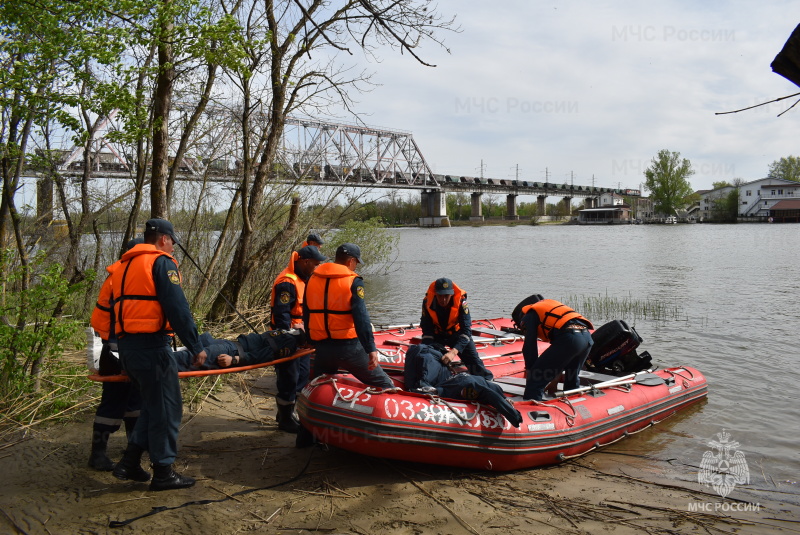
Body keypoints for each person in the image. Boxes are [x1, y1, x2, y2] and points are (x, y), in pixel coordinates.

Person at [110, 218, 207, 491]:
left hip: (128, 349)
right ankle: (163, 472)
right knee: (167, 410)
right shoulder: (161, 263)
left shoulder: (122, 267)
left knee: (153, 407)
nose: (174, 246)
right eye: (173, 240)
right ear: (164, 239)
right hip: (153, 349)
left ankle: (129, 462)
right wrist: (196, 346)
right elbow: (178, 309)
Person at [303, 243, 395, 389]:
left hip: (322, 348)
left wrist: (310, 339)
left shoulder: (312, 279)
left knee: (318, 385)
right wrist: (371, 348)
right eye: (356, 263)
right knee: (385, 384)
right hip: (348, 348)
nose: (356, 266)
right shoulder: (354, 281)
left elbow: (307, 314)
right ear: (351, 261)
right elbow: (361, 318)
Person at [87, 237, 144, 471]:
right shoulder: (122, 279)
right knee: (113, 402)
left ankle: (133, 446)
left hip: (125, 350)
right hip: (116, 352)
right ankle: (97, 454)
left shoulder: (120, 276)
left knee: (135, 401)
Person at [269, 245, 325, 432]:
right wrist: (289, 335)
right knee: (289, 378)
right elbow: (282, 315)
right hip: (288, 339)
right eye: (316, 264)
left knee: (302, 375)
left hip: (301, 338)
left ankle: (287, 413)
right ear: (305, 262)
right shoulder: (288, 282)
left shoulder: (304, 279)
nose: (317, 268)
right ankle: (285, 419)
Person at [404, 343, 522, 427]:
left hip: (455, 381)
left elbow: (491, 395)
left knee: (432, 382)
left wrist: (511, 411)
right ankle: (427, 388)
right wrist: (513, 414)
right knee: (436, 385)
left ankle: (427, 388)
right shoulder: (490, 387)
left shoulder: (483, 387)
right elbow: (491, 394)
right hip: (455, 381)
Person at [511, 294, 594, 401]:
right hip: (586, 338)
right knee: (571, 377)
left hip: (570, 338)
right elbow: (559, 359)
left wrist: (531, 372)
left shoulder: (529, 315)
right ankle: (574, 404)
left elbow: (529, 347)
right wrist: (553, 381)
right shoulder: (548, 307)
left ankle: (532, 409)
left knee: (536, 378)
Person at [420, 278, 493, 380]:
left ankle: (487, 380)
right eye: (440, 296)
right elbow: (426, 328)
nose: (443, 300)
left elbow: (466, 331)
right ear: (435, 294)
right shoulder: (427, 302)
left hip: (457, 334)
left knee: (475, 363)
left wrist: (453, 352)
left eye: (446, 296)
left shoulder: (461, 302)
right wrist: (429, 349)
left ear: (452, 294)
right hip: (438, 334)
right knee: (426, 357)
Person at [171, 329, 305, 372]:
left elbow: (262, 356)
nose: (299, 323)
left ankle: (154, 363)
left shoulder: (289, 343)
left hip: (232, 352)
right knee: (203, 340)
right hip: (231, 344)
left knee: (186, 359)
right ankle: (161, 356)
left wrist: (234, 360)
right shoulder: (287, 334)